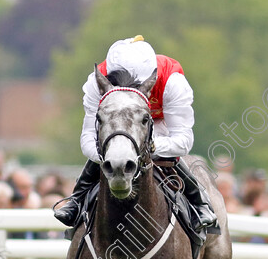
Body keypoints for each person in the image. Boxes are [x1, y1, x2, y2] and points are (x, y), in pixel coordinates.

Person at [53, 36, 218, 233]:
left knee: (161, 151)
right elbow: (88, 138)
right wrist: (111, 152)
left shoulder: (173, 82)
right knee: (111, 145)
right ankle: (76, 201)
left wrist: (149, 146)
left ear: (150, 79)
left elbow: (183, 141)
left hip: (158, 125)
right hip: (116, 126)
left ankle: (199, 203)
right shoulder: (96, 82)